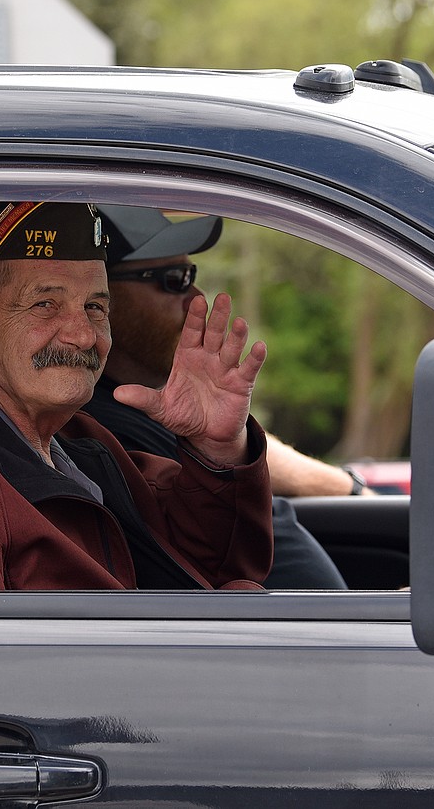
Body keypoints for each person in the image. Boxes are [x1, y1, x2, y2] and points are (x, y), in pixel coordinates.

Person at [0, 201, 274, 592]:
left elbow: (206, 566)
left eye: (95, 306)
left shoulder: (75, 437)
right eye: (45, 304)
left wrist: (217, 450)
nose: (84, 335)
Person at [87, 205, 369, 589]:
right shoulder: (95, 431)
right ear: (99, 297)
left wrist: (348, 487)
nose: (197, 297)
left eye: (192, 275)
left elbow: (249, 451)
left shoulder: (164, 412)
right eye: (174, 280)